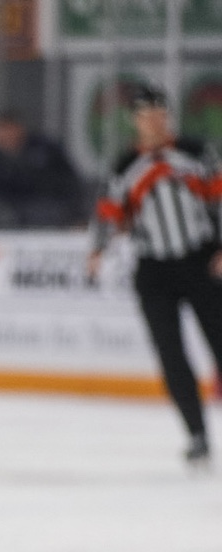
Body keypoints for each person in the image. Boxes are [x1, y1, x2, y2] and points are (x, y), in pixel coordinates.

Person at [88, 84, 222, 465]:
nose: (153, 121)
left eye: (159, 113)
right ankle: (197, 434)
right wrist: (97, 250)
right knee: (171, 354)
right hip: (154, 270)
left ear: (168, 116)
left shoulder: (196, 153)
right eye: (145, 115)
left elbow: (218, 199)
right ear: (134, 120)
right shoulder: (125, 165)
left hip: (200, 260)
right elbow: (109, 211)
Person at [0, 109, 84, 229]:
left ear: (19, 128)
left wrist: (77, 217)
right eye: (0, 131)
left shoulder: (46, 151)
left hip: (50, 219)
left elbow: (70, 185)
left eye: (8, 129)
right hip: (9, 224)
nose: (4, 135)